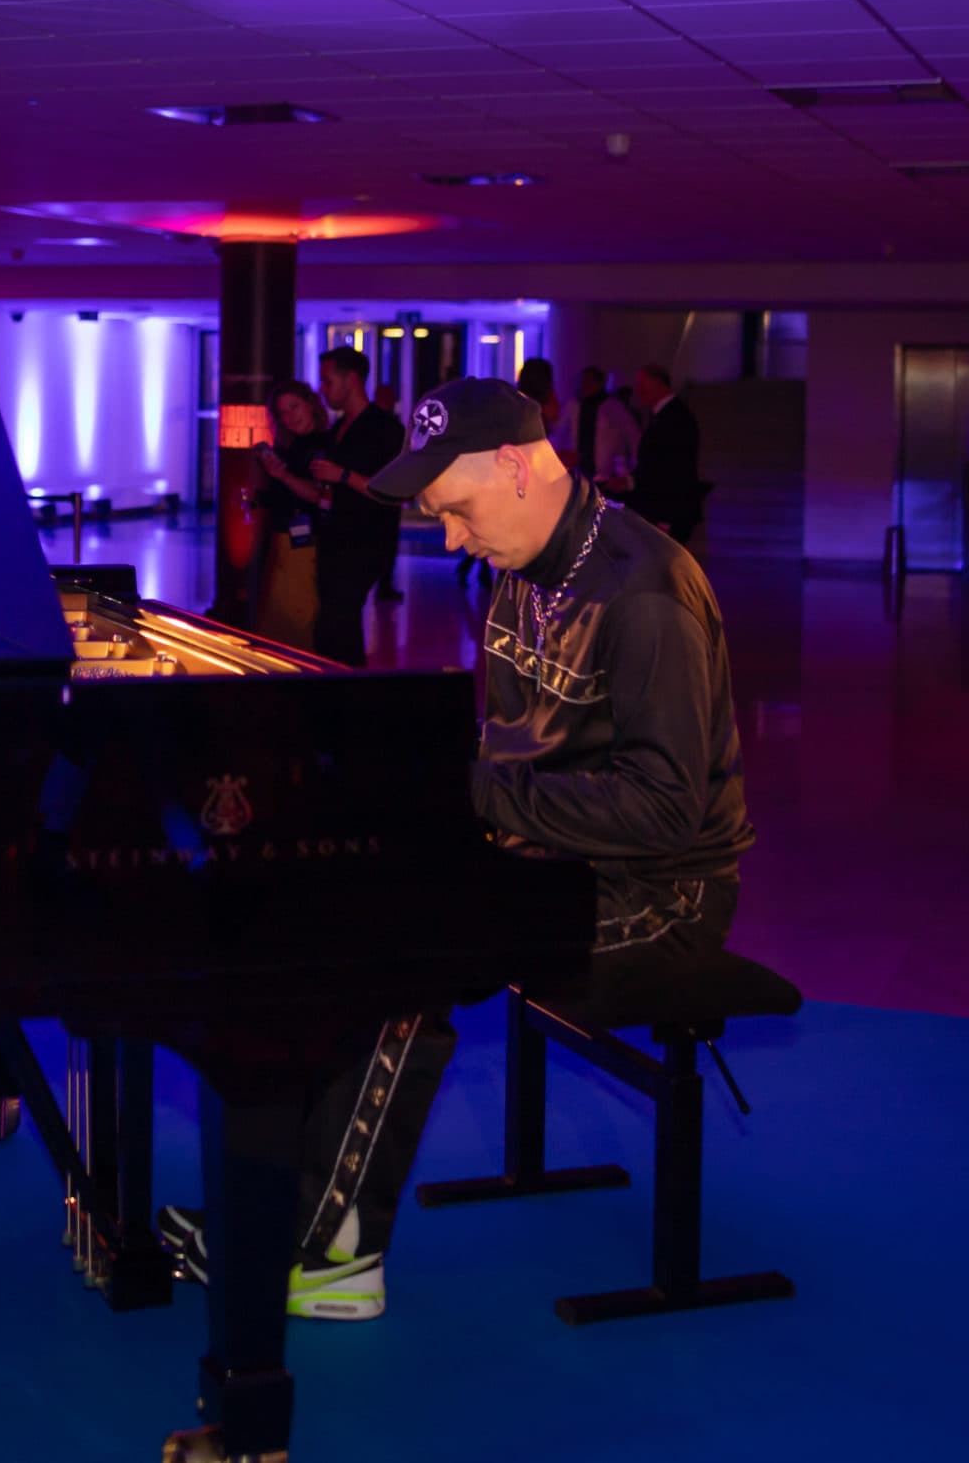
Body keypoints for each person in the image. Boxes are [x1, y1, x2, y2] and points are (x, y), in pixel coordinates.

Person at [158, 377, 756, 1320]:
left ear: (514, 466)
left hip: (658, 896)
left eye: (454, 510)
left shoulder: (645, 591)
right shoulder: (524, 568)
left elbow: (665, 811)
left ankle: (329, 1251)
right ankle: (275, 1201)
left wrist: (464, 793)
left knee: (411, 958)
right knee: (336, 916)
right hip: (546, 863)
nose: (449, 540)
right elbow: (506, 757)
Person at [306, 348, 405, 666]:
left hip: (365, 542)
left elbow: (395, 490)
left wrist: (343, 476)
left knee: (339, 621)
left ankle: (348, 686)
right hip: (333, 539)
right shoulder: (337, 429)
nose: (323, 389)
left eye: (328, 381)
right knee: (330, 626)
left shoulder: (385, 428)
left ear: (351, 380)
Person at [248, 380, 329, 650]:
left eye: (295, 407)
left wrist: (281, 475)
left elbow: (316, 494)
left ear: (310, 404)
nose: (290, 416)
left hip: (307, 542)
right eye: (283, 412)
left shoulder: (323, 445)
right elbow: (280, 495)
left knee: (295, 613)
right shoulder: (289, 446)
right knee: (278, 614)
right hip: (284, 539)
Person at [622, 363, 702, 542]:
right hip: (666, 509)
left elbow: (674, 469)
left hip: (668, 511)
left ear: (658, 384)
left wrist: (666, 519)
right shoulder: (667, 415)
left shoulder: (674, 417)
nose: (638, 390)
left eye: (642, 384)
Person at [372, 382, 406, 602]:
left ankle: (380, 583)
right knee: (386, 541)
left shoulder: (367, 426)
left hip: (373, 491)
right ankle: (383, 584)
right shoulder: (394, 427)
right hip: (387, 493)